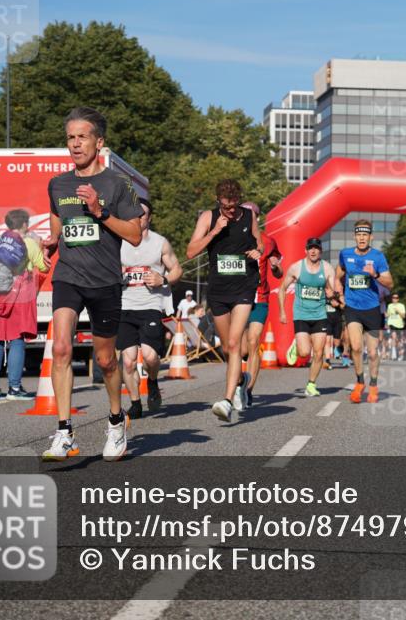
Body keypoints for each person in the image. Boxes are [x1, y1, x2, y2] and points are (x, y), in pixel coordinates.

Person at [40, 107, 143, 462]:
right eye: (70, 137)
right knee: (62, 349)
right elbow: (58, 229)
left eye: (82, 136)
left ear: (99, 142)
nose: (75, 143)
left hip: (105, 281)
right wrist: (51, 242)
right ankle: (64, 431)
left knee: (106, 360)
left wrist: (100, 211)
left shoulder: (117, 185)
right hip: (68, 276)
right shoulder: (58, 184)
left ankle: (116, 421)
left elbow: (134, 235)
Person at [186, 179, 263, 422]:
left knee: (232, 342)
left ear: (239, 201)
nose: (230, 211)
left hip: (244, 286)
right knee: (229, 349)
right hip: (218, 290)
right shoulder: (208, 218)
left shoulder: (249, 216)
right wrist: (215, 231)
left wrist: (257, 251)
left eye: (233, 206)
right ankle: (242, 380)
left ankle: (227, 401)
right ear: (218, 202)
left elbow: (259, 242)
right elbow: (191, 251)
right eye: (225, 207)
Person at [118, 198, 182, 420]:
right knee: (127, 360)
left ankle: (152, 381)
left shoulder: (159, 242)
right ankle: (135, 403)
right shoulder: (119, 241)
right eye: (135, 214)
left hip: (151, 305)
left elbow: (177, 270)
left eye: (143, 214)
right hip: (125, 305)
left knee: (150, 357)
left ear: (149, 218)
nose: (139, 218)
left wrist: (162, 279)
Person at [0, 209, 48, 401]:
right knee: (17, 340)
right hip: (18, 297)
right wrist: (40, 247)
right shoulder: (28, 243)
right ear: (25, 224)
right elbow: (43, 266)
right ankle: (14, 388)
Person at [336, 220, 393, 403]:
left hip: (372, 309)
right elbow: (338, 274)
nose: (361, 238)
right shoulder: (345, 254)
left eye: (365, 235)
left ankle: (374, 385)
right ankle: (360, 382)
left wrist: (374, 275)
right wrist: (338, 291)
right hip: (352, 307)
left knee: (374, 352)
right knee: (356, 346)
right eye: (359, 235)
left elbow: (390, 283)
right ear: (355, 236)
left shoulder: (378, 257)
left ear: (370, 237)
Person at [279, 237, 336, 396]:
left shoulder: (327, 269)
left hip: (320, 314)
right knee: (304, 353)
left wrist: (333, 294)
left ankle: (311, 384)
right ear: (306, 250)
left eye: (316, 248)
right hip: (301, 314)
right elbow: (282, 288)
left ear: (321, 251)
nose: (313, 251)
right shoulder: (296, 268)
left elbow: (334, 291)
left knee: (318, 352)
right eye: (310, 248)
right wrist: (282, 311)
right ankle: (296, 345)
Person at [239, 202, 282, 408]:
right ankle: (240, 379)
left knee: (254, 341)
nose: (249, 218)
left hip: (260, 297)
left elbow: (278, 272)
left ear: (258, 217)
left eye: (252, 215)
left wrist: (275, 268)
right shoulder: (232, 238)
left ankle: (248, 390)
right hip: (237, 297)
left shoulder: (268, 241)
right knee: (237, 348)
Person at [386, 293, 406, 361]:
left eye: (396, 298)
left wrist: (398, 311)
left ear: (398, 299)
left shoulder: (401, 306)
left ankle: (400, 353)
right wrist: (386, 323)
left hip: (399, 325)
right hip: (392, 324)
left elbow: (404, 316)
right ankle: (394, 355)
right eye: (393, 298)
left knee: (399, 341)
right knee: (393, 337)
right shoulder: (389, 305)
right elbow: (388, 315)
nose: (394, 299)